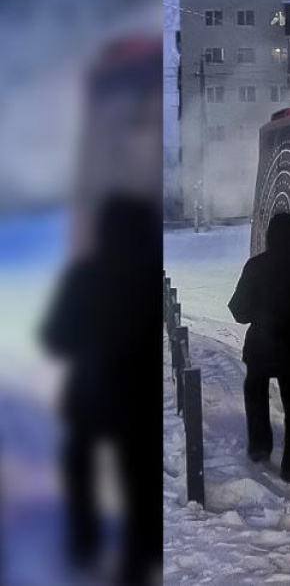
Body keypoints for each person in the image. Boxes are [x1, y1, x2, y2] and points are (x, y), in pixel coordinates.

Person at [41, 195, 161, 585]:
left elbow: (54, 337)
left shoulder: (83, 276)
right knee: (138, 478)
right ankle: (138, 560)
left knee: (80, 467)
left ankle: (83, 540)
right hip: (138, 400)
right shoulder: (148, 279)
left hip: (90, 397)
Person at [228, 212, 290, 483]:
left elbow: (239, 310)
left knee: (255, 391)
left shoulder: (257, 266)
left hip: (262, 346)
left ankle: (259, 446)